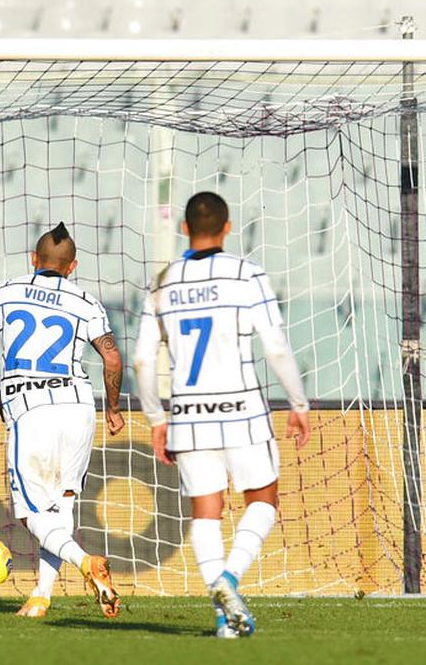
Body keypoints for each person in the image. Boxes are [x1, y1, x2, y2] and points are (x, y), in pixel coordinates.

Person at [133, 192, 311, 639]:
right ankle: (229, 580)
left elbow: (141, 359)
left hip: (188, 413)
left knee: (206, 512)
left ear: (184, 229)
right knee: (263, 501)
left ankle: (223, 616)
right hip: (242, 409)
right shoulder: (245, 273)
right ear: (228, 227)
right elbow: (274, 346)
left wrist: (157, 417)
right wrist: (299, 403)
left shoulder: (162, 282)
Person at [0, 222, 125, 619]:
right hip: (78, 406)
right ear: (73, 267)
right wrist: (114, 408)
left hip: (31, 409)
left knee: (30, 513)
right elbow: (112, 358)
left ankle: (85, 563)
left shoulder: (5, 292)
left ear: (34, 260)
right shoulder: (86, 301)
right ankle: (41, 595)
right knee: (61, 505)